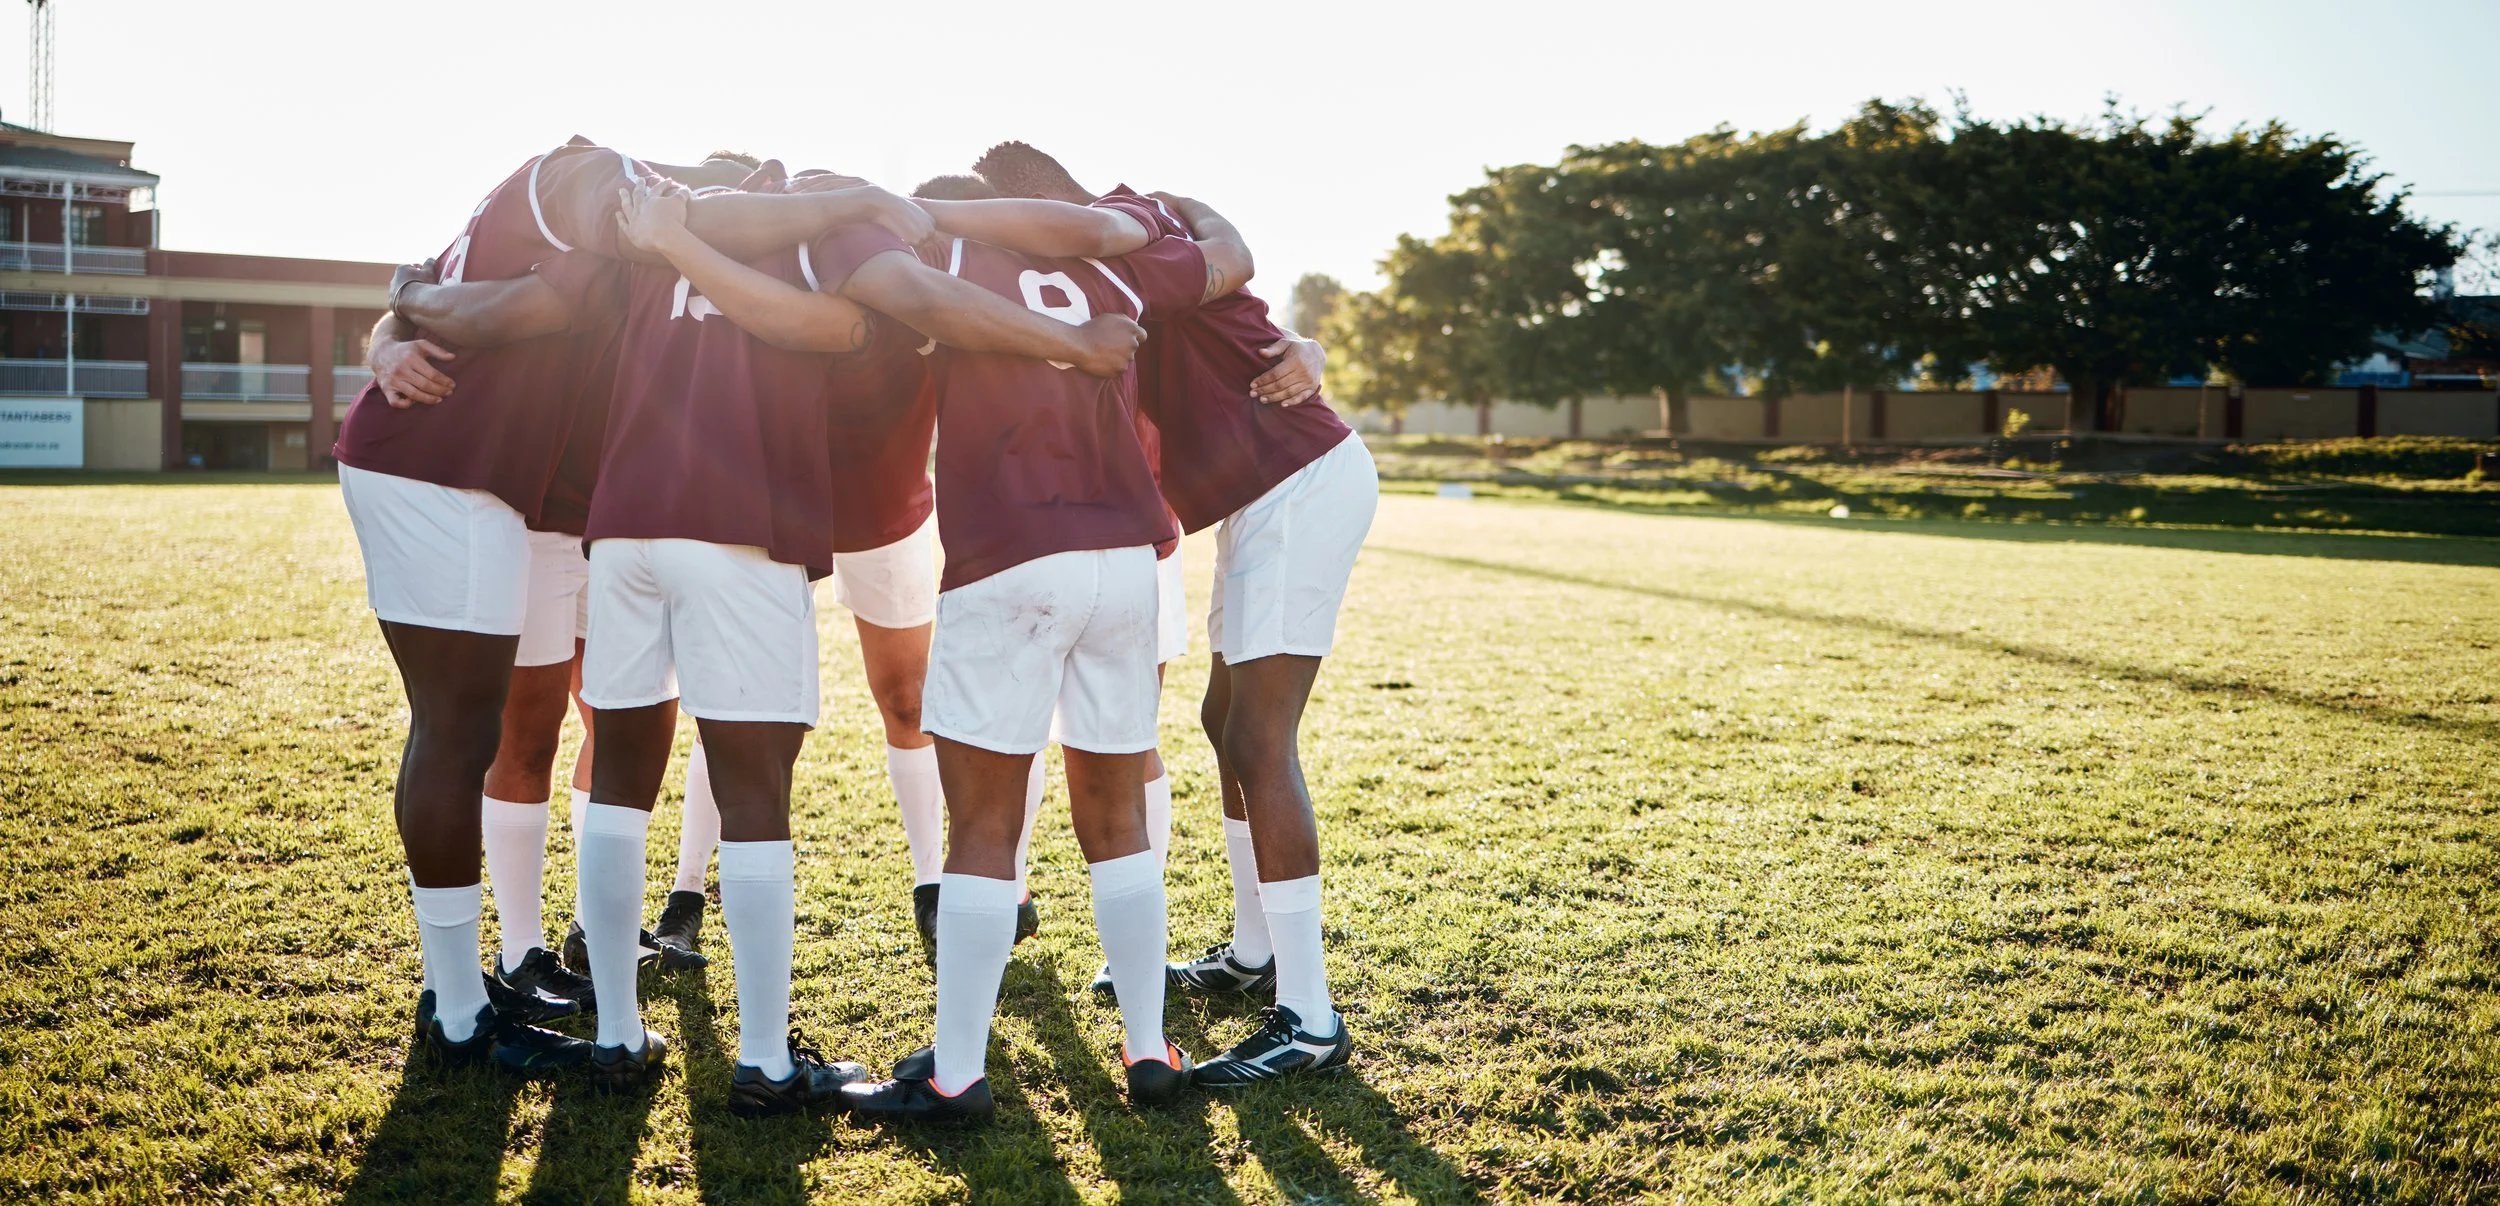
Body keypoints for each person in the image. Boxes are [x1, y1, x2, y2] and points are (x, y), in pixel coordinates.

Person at [585, 167, 1145, 1116]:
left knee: (619, 773)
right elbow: (865, 313)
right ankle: (763, 1060)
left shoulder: (653, 230)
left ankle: (612, 1033)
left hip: (637, 521)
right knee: (756, 778)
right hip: (743, 518)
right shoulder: (820, 232)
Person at [367, 149, 925, 1012]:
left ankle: (601, 935)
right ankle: (518, 958)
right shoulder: (596, 213)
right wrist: (391, 326)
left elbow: (471, 293)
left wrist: (399, 311)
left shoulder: (658, 248)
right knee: (522, 730)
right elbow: (475, 291)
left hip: (599, 506)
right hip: (547, 499)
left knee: (629, 728)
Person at [958, 143, 1378, 1087]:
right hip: (1263, 495)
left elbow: (1205, 249)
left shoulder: (1121, 234)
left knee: (1263, 741)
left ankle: (1309, 1016)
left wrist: (935, 215)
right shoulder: (1099, 265)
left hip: (1296, 484)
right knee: (1223, 723)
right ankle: (1253, 952)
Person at [838, 187, 1253, 1124]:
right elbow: (1229, 256)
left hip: (1012, 555)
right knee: (1116, 812)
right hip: (1127, 559)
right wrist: (1170, 205)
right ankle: (1149, 1050)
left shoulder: (937, 256)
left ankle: (956, 1074)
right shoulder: (1110, 264)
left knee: (984, 824)